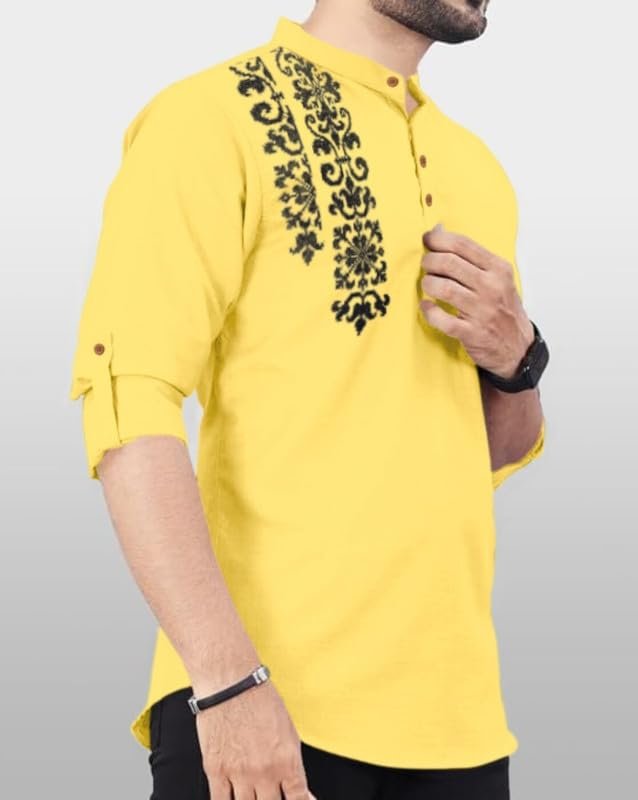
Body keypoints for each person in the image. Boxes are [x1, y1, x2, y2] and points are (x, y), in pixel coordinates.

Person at [68, 1, 549, 798]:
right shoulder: (210, 118)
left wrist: (518, 360)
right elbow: (128, 404)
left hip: (460, 727)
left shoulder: (476, 168)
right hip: (268, 708)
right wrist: (226, 683)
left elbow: (491, 447)